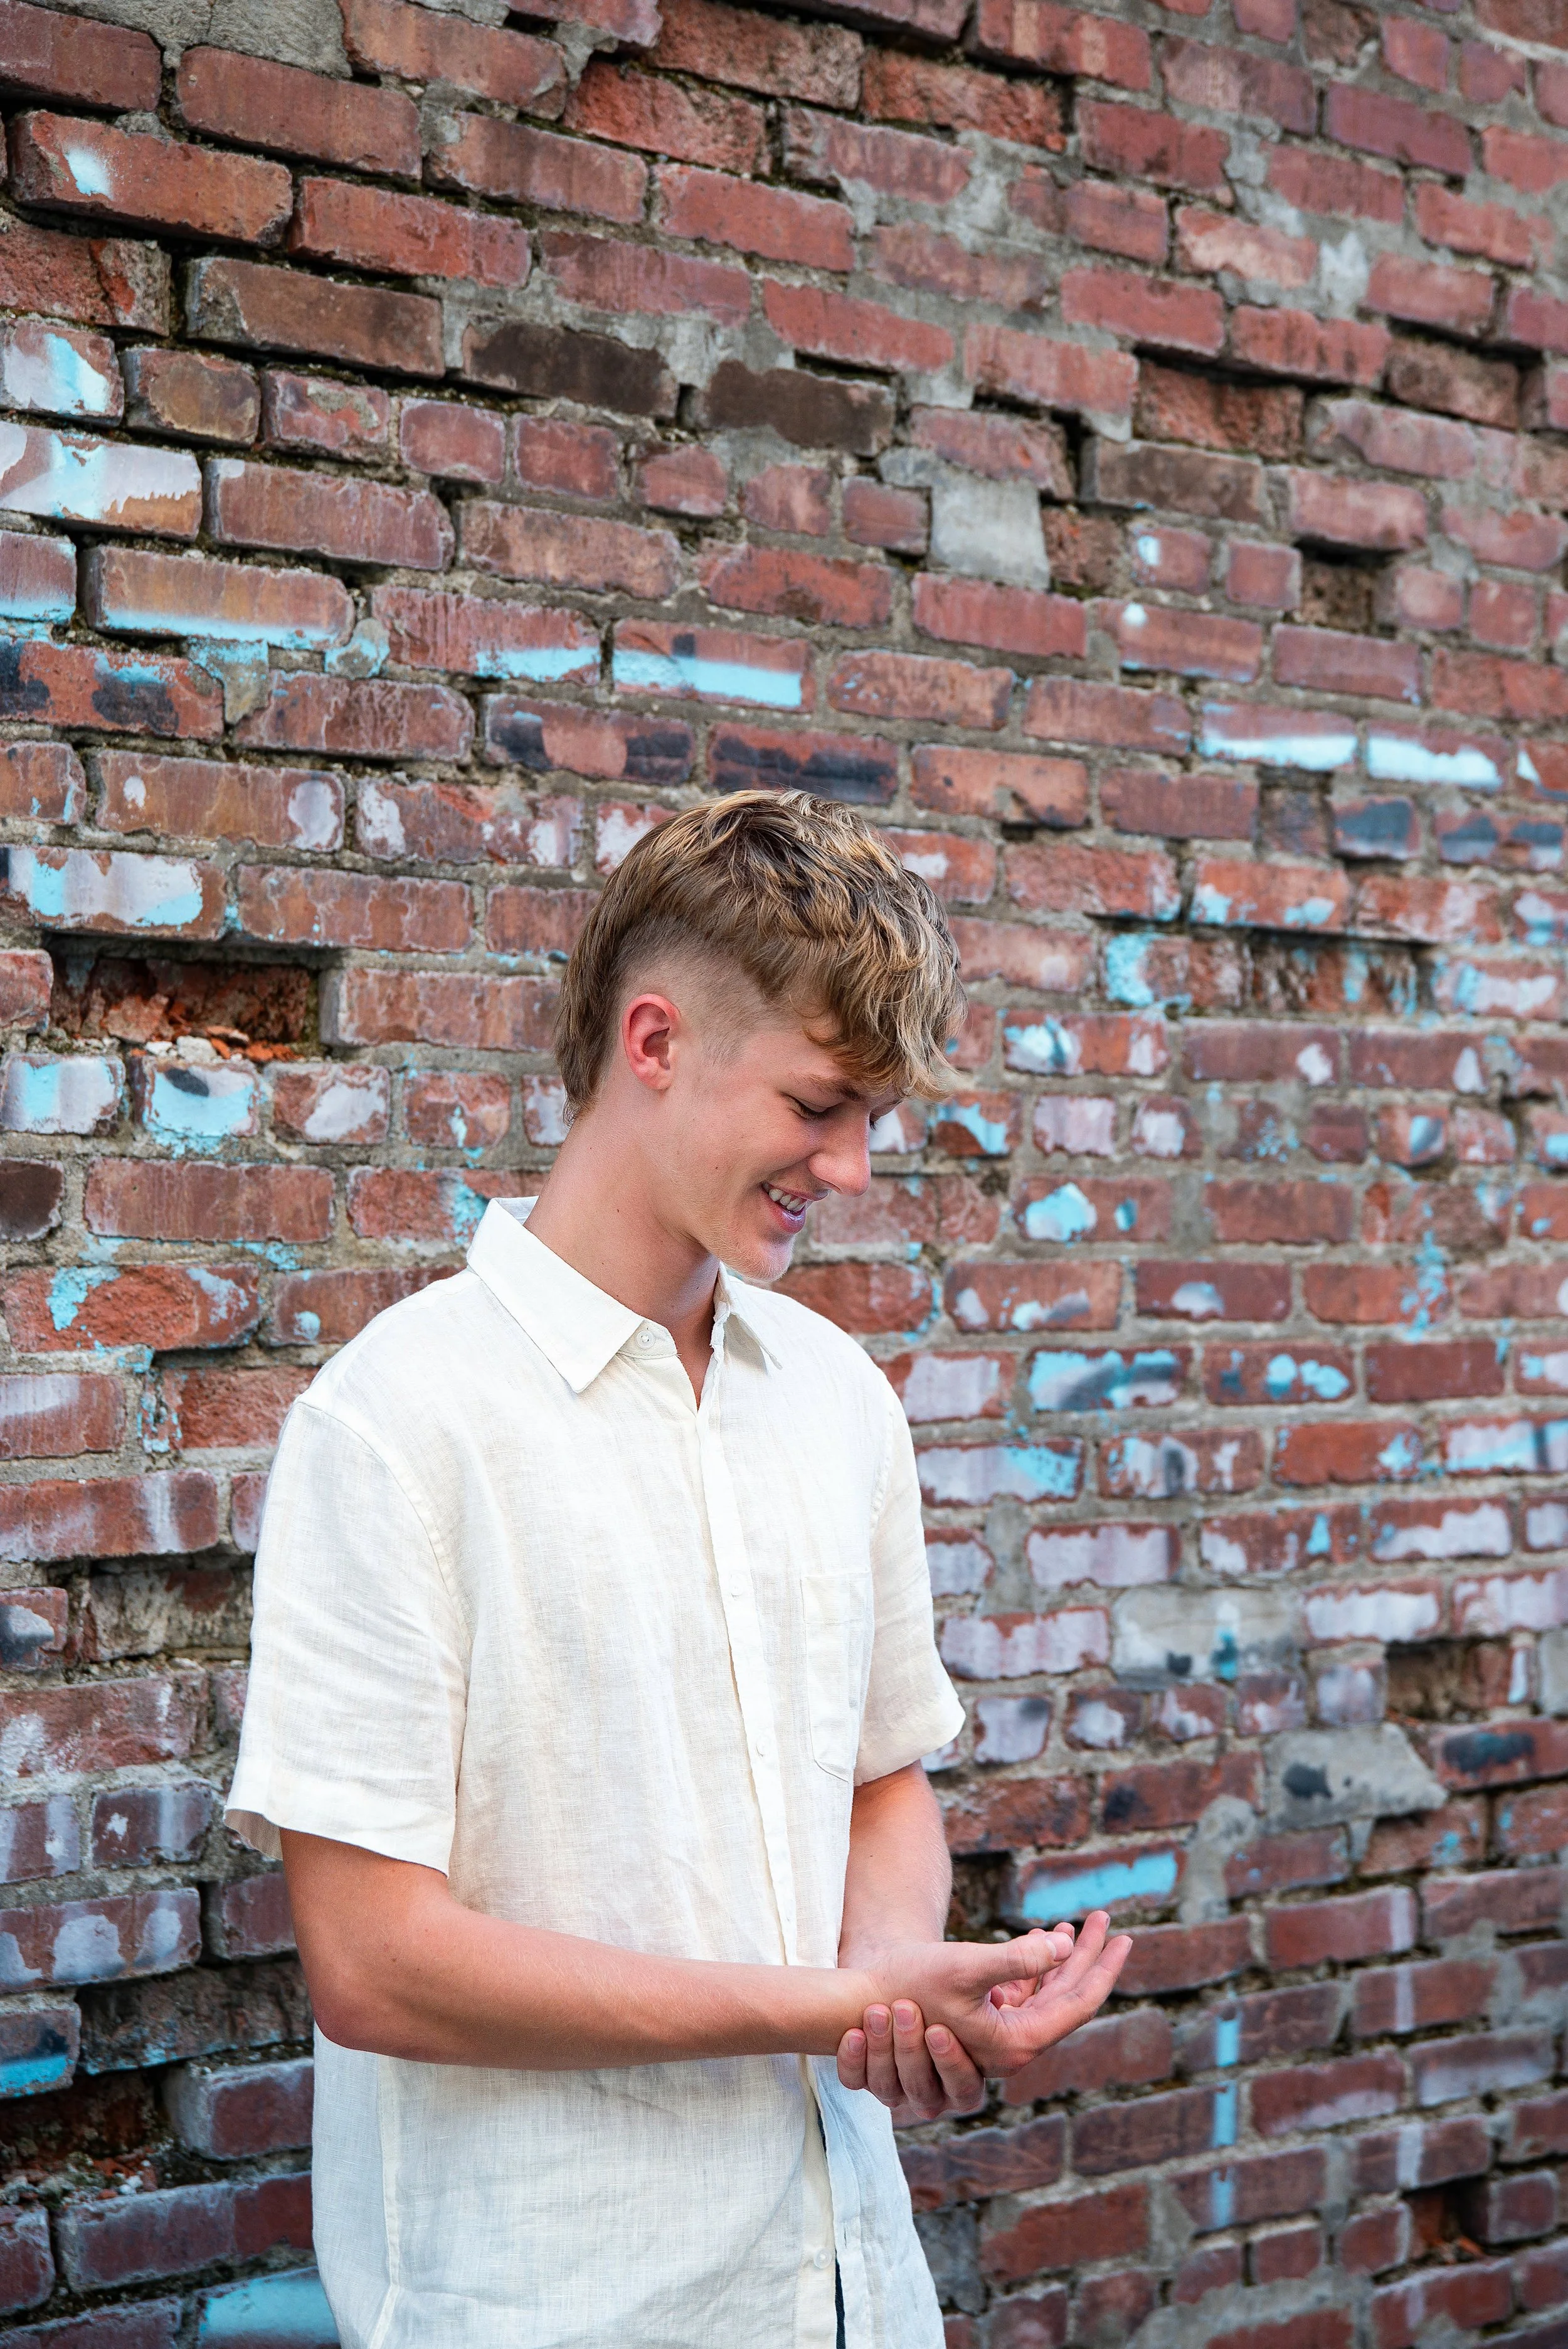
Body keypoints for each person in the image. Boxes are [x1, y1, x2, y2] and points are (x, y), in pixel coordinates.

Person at [227, 790, 1132, 2349]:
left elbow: (877, 1781)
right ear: (653, 1044)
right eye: (815, 1105)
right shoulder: (393, 1423)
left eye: (871, 1122)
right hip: (553, 2307)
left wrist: (895, 1987)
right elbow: (373, 1967)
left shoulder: (839, 1399)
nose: (848, 1169)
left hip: (855, 2292)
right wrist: (819, 2008)